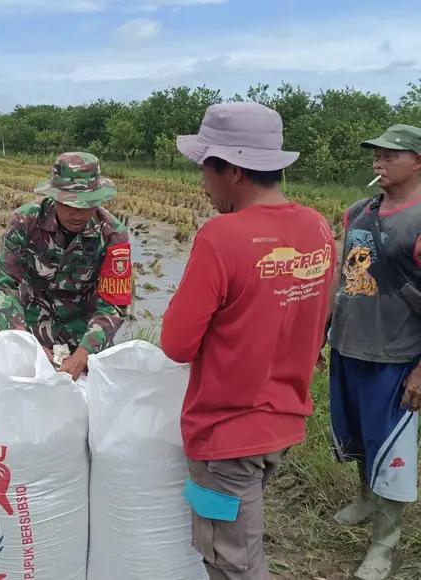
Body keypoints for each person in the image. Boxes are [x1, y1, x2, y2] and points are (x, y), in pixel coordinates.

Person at [160, 103, 336, 580]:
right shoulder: (318, 228)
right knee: (243, 538)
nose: (202, 182)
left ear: (233, 170)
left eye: (205, 168)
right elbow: (318, 316)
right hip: (283, 420)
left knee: (231, 561)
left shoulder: (222, 237)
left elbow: (176, 344)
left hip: (226, 436)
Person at [326, 124, 421, 580]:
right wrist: (321, 334)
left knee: (393, 452)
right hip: (349, 347)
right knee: (360, 437)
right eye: (376, 155)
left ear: (417, 161)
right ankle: (365, 497)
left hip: (396, 356)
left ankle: (385, 544)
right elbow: (339, 280)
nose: (377, 162)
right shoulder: (356, 213)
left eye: (390, 155)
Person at [0, 151, 131, 380]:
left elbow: (113, 304)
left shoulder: (112, 234)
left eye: (86, 205)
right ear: (54, 197)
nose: (76, 214)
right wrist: (26, 342)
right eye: (67, 204)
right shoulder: (26, 222)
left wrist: (84, 353)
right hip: (32, 324)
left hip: (85, 332)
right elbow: (5, 287)